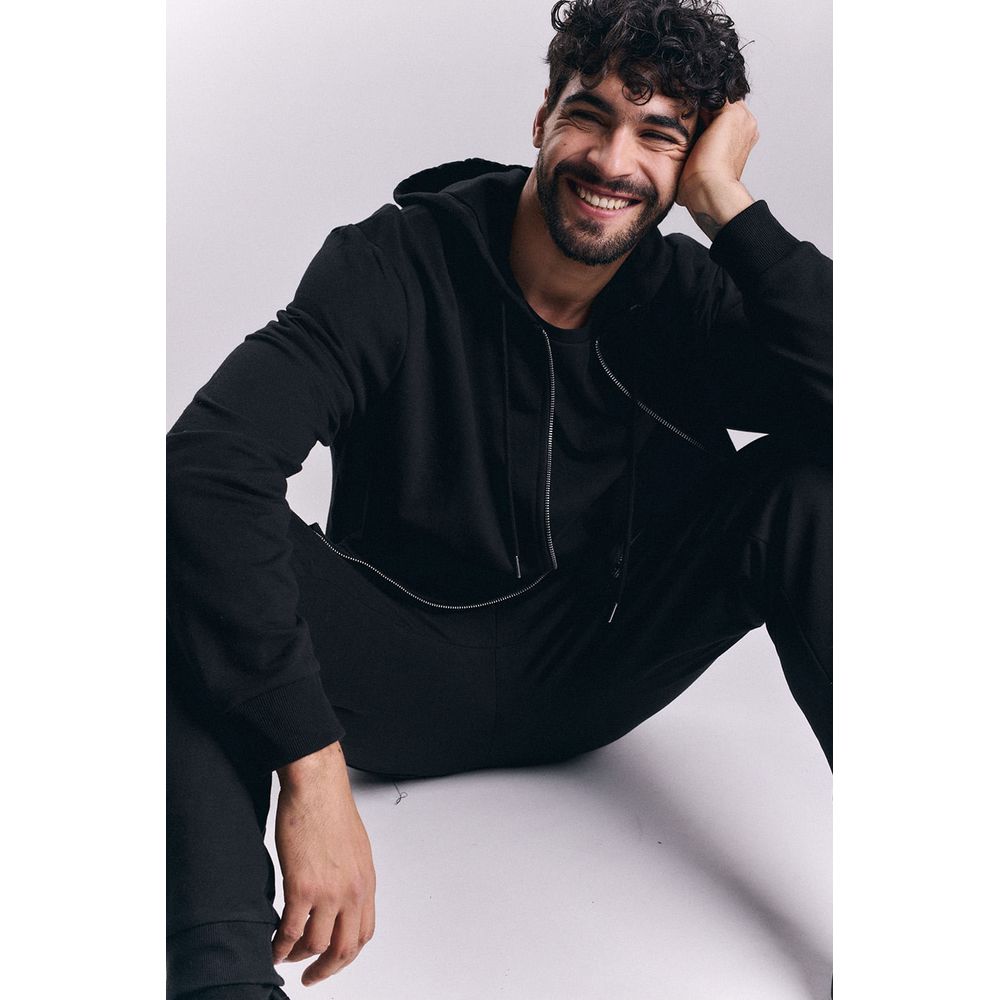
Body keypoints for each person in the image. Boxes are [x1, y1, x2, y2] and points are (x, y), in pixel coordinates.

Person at [166, 0, 832, 996]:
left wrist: (730, 209)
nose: (612, 160)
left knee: (811, 481)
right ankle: (222, 978)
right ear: (541, 117)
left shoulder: (683, 295)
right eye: (589, 115)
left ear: (690, 163)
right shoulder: (395, 264)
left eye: (659, 137)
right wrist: (308, 758)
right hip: (400, 672)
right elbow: (206, 467)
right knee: (184, 544)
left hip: (599, 659)